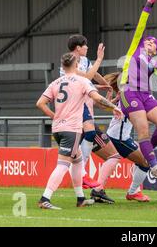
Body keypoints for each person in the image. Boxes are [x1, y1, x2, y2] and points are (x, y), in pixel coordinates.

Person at [36, 52, 123, 209]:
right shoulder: (82, 81)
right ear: (76, 65)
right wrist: (114, 106)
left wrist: (54, 116)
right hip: (72, 128)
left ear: (62, 66)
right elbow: (97, 99)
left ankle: (80, 199)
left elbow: (40, 103)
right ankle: (45, 198)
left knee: (77, 161)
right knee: (63, 164)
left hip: (58, 128)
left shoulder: (55, 83)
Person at [119, 0, 157, 182]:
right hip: (129, 91)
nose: (149, 42)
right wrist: (149, 4)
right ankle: (154, 165)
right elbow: (142, 25)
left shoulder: (152, 61)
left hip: (145, 94)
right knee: (143, 131)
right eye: (148, 41)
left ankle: (147, 154)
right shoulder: (136, 47)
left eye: (153, 43)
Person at [61, 35, 122, 204]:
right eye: (85, 46)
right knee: (70, 157)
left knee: (113, 155)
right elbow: (86, 78)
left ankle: (94, 191)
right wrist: (100, 59)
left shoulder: (85, 61)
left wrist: (106, 85)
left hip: (84, 113)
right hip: (74, 113)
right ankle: (83, 175)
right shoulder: (69, 63)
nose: (87, 48)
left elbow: (93, 77)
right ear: (77, 47)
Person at [104, 72, 151, 202]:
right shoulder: (129, 97)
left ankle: (134, 190)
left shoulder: (126, 95)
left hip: (118, 135)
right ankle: (132, 192)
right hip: (119, 138)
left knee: (142, 158)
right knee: (146, 161)